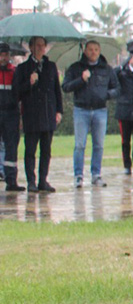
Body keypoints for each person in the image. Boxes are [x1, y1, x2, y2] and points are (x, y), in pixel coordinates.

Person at [62, 40, 121, 188]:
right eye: (90, 50)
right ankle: (78, 176)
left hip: (100, 110)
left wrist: (106, 95)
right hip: (81, 110)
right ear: (85, 51)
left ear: (100, 51)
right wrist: (81, 80)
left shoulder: (106, 69)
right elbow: (66, 86)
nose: (93, 52)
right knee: (80, 145)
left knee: (99, 145)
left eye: (96, 49)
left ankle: (96, 174)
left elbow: (117, 88)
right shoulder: (76, 68)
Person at [14, 36, 62, 192]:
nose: (41, 48)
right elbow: (17, 93)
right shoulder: (22, 68)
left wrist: (59, 110)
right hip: (31, 115)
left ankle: (43, 180)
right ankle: (31, 182)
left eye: (43, 45)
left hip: (48, 114)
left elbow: (57, 91)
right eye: (38, 45)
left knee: (46, 150)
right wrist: (29, 82)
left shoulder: (51, 66)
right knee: (30, 151)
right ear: (31, 47)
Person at [0, 44, 22, 191]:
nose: (3, 57)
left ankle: (11, 180)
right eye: (1, 54)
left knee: (11, 147)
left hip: (11, 114)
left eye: (6, 55)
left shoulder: (14, 71)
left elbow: (20, 94)